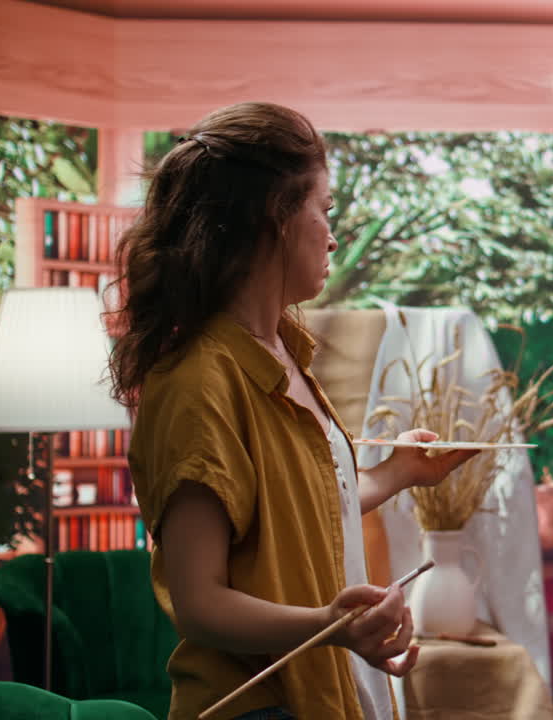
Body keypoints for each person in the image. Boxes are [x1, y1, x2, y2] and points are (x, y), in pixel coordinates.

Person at [108, 102, 477, 720]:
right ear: (274, 219)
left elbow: (296, 511)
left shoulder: (282, 352)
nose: (332, 234)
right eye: (324, 209)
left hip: (323, 697)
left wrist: (398, 473)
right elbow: (200, 602)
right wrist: (331, 628)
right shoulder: (199, 381)